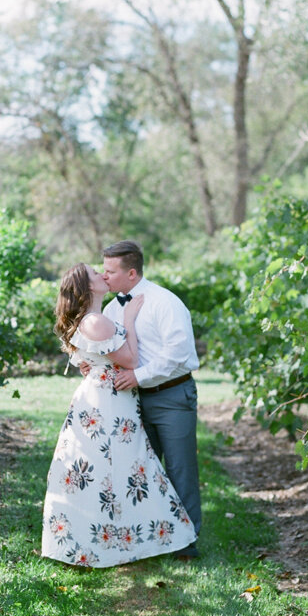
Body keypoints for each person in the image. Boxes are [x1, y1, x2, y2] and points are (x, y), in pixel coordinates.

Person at [41, 262, 197, 568]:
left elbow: (86, 356)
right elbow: (131, 359)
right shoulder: (97, 320)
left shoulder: (95, 318)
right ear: (88, 287)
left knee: (114, 470)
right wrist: (128, 320)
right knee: (116, 468)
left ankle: (121, 537)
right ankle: (110, 541)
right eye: (95, 273)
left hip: (107, 398)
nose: (102, 274)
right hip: (106, 403)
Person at [101, 240, 202, 560]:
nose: (104, 277)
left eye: (110, 271)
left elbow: (180, 354)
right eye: (102, 270)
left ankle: (186, 542)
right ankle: (144, 537)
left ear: (131, 273)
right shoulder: (110, 309)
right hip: (130, 400)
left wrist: (139, 376)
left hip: (172, 395)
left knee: (179, 468)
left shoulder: (165, 302)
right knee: (138, 469)